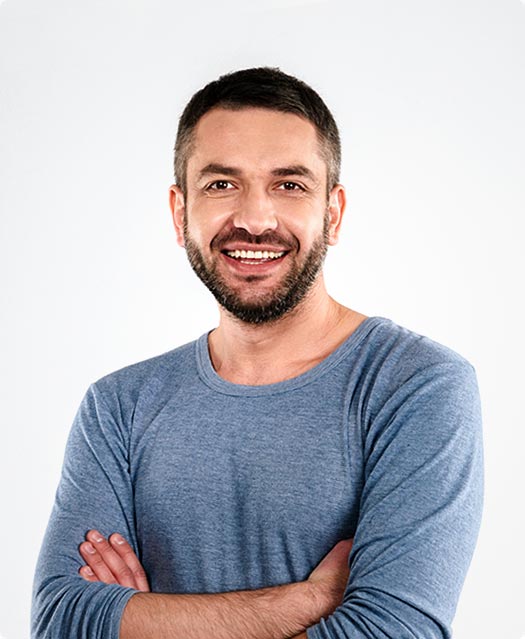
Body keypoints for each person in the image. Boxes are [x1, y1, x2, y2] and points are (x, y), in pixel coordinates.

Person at [31, 67, 483, 639]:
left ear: (333, 213)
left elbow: (392, 631)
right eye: (222, 184)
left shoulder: (415, 386)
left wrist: (145, 621)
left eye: (289, 185)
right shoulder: (118, 407)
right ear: (179, 213)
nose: (254, 220)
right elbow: (60, 621)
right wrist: (307, 601)